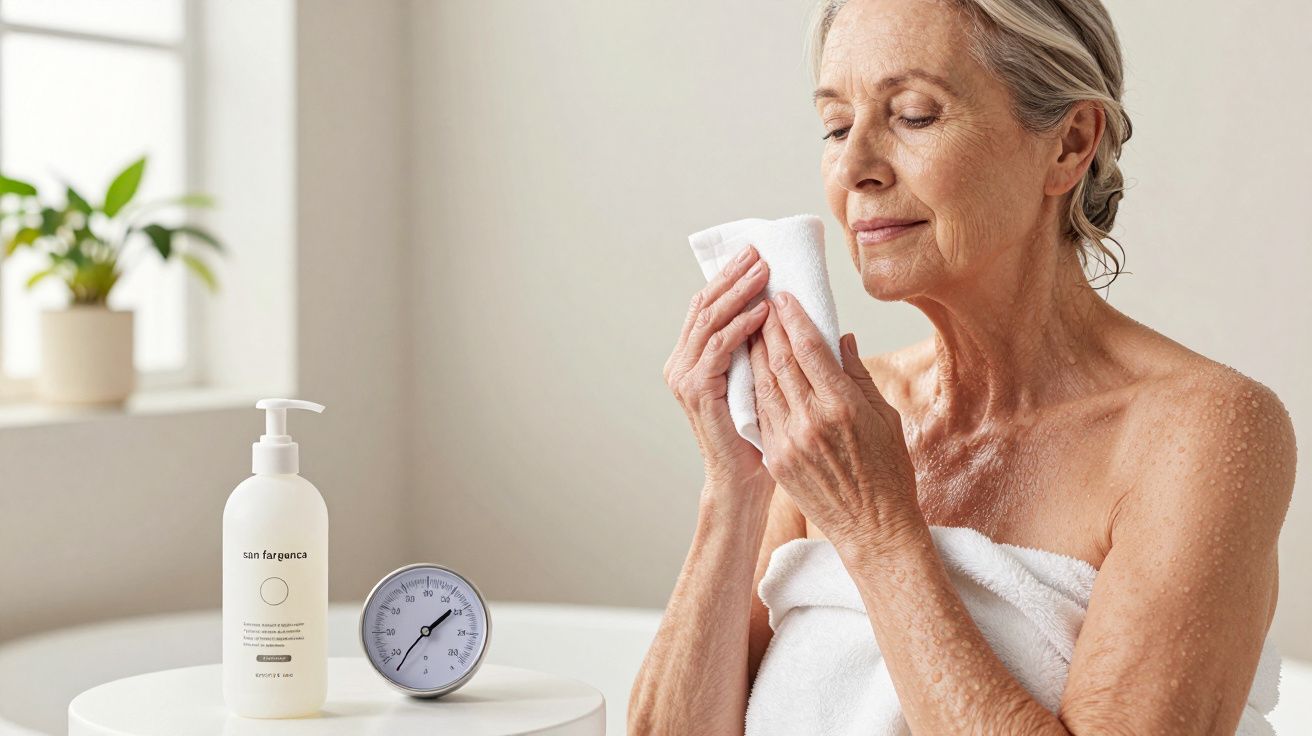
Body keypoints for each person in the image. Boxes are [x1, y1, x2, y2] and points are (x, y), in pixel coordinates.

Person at [630, 0, 1296, 733]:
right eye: (836, 125)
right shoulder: (836, 425)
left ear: (1069, 144)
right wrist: (735, 486)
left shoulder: (1198, 431)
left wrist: (877, 530)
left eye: (914, 115)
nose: (853, 168)